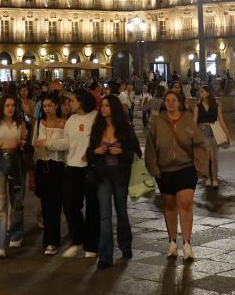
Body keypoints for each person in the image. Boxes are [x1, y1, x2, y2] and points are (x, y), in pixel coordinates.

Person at [143, 89, 208, 262]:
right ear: (164, 103)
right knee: (170, 205)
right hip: (164, 170)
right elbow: (150, 147)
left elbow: (199, 144)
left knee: (185, 203)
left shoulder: (188, 120)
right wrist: (153, 168)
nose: (171, 103)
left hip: (186, 168)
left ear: (179, 103)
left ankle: (187, 244)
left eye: (174, 100)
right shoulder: (157, 122)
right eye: (168, 100)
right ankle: (172, 242)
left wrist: (201, 166)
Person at [46, 90, 99, 259]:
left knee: (92, 207)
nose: (69, 104)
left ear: (82, 101)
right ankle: (79, 237)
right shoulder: (71, 120)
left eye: (72, 101)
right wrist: (49, 143)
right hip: (73, 167)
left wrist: (91, 153)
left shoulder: (96, 117)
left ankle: (91, 245)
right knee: (69, 205)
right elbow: (67, 143)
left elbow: (101, 139)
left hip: (90, 168)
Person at [89, 94, 139, 269]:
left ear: (114, 109)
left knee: (122, 212)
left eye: (107, 106)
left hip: (120, 174)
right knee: (104, 215)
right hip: (102, 175)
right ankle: (105, 256)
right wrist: (95, 151)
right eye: (102, 105)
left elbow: (136, 151)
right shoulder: (97, 128)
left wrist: (122, 152)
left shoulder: (125, 129)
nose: (103, 109)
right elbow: (89, 153)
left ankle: (125, 244)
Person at [0, 94, 27, 259]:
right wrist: (2, 143)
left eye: (13, 105)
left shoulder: (20, 124)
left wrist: (21, 144)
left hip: (16, 163)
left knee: (17, 200)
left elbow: (24, 142)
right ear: (1, 107)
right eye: (7, 105)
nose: (10, 108)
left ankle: (16, 234)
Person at [31, 92, 67, 255]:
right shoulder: (39, 123)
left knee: (55, 203)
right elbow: (34, 144)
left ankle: (53, 240)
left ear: (56, 106)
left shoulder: (63, 124)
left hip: (57, 166)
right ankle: (48, 238)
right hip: (42, 165)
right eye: (44, 106)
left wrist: (48, 144)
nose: (47, 109)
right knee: (45, 203)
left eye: (50, 105)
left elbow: (66, 145)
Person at [194, 87, 226, 187]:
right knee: (206, 156)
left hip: (214, 130)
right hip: (203, 131)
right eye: (200, 91)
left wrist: (227, 134)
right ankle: (207, 178)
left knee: (214, 156)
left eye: (202, 91)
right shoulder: (197, 107)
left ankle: (215, 178)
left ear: (208, 93)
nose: (200, 93)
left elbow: (221, 120)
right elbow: (194, 122)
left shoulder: (216, 106)